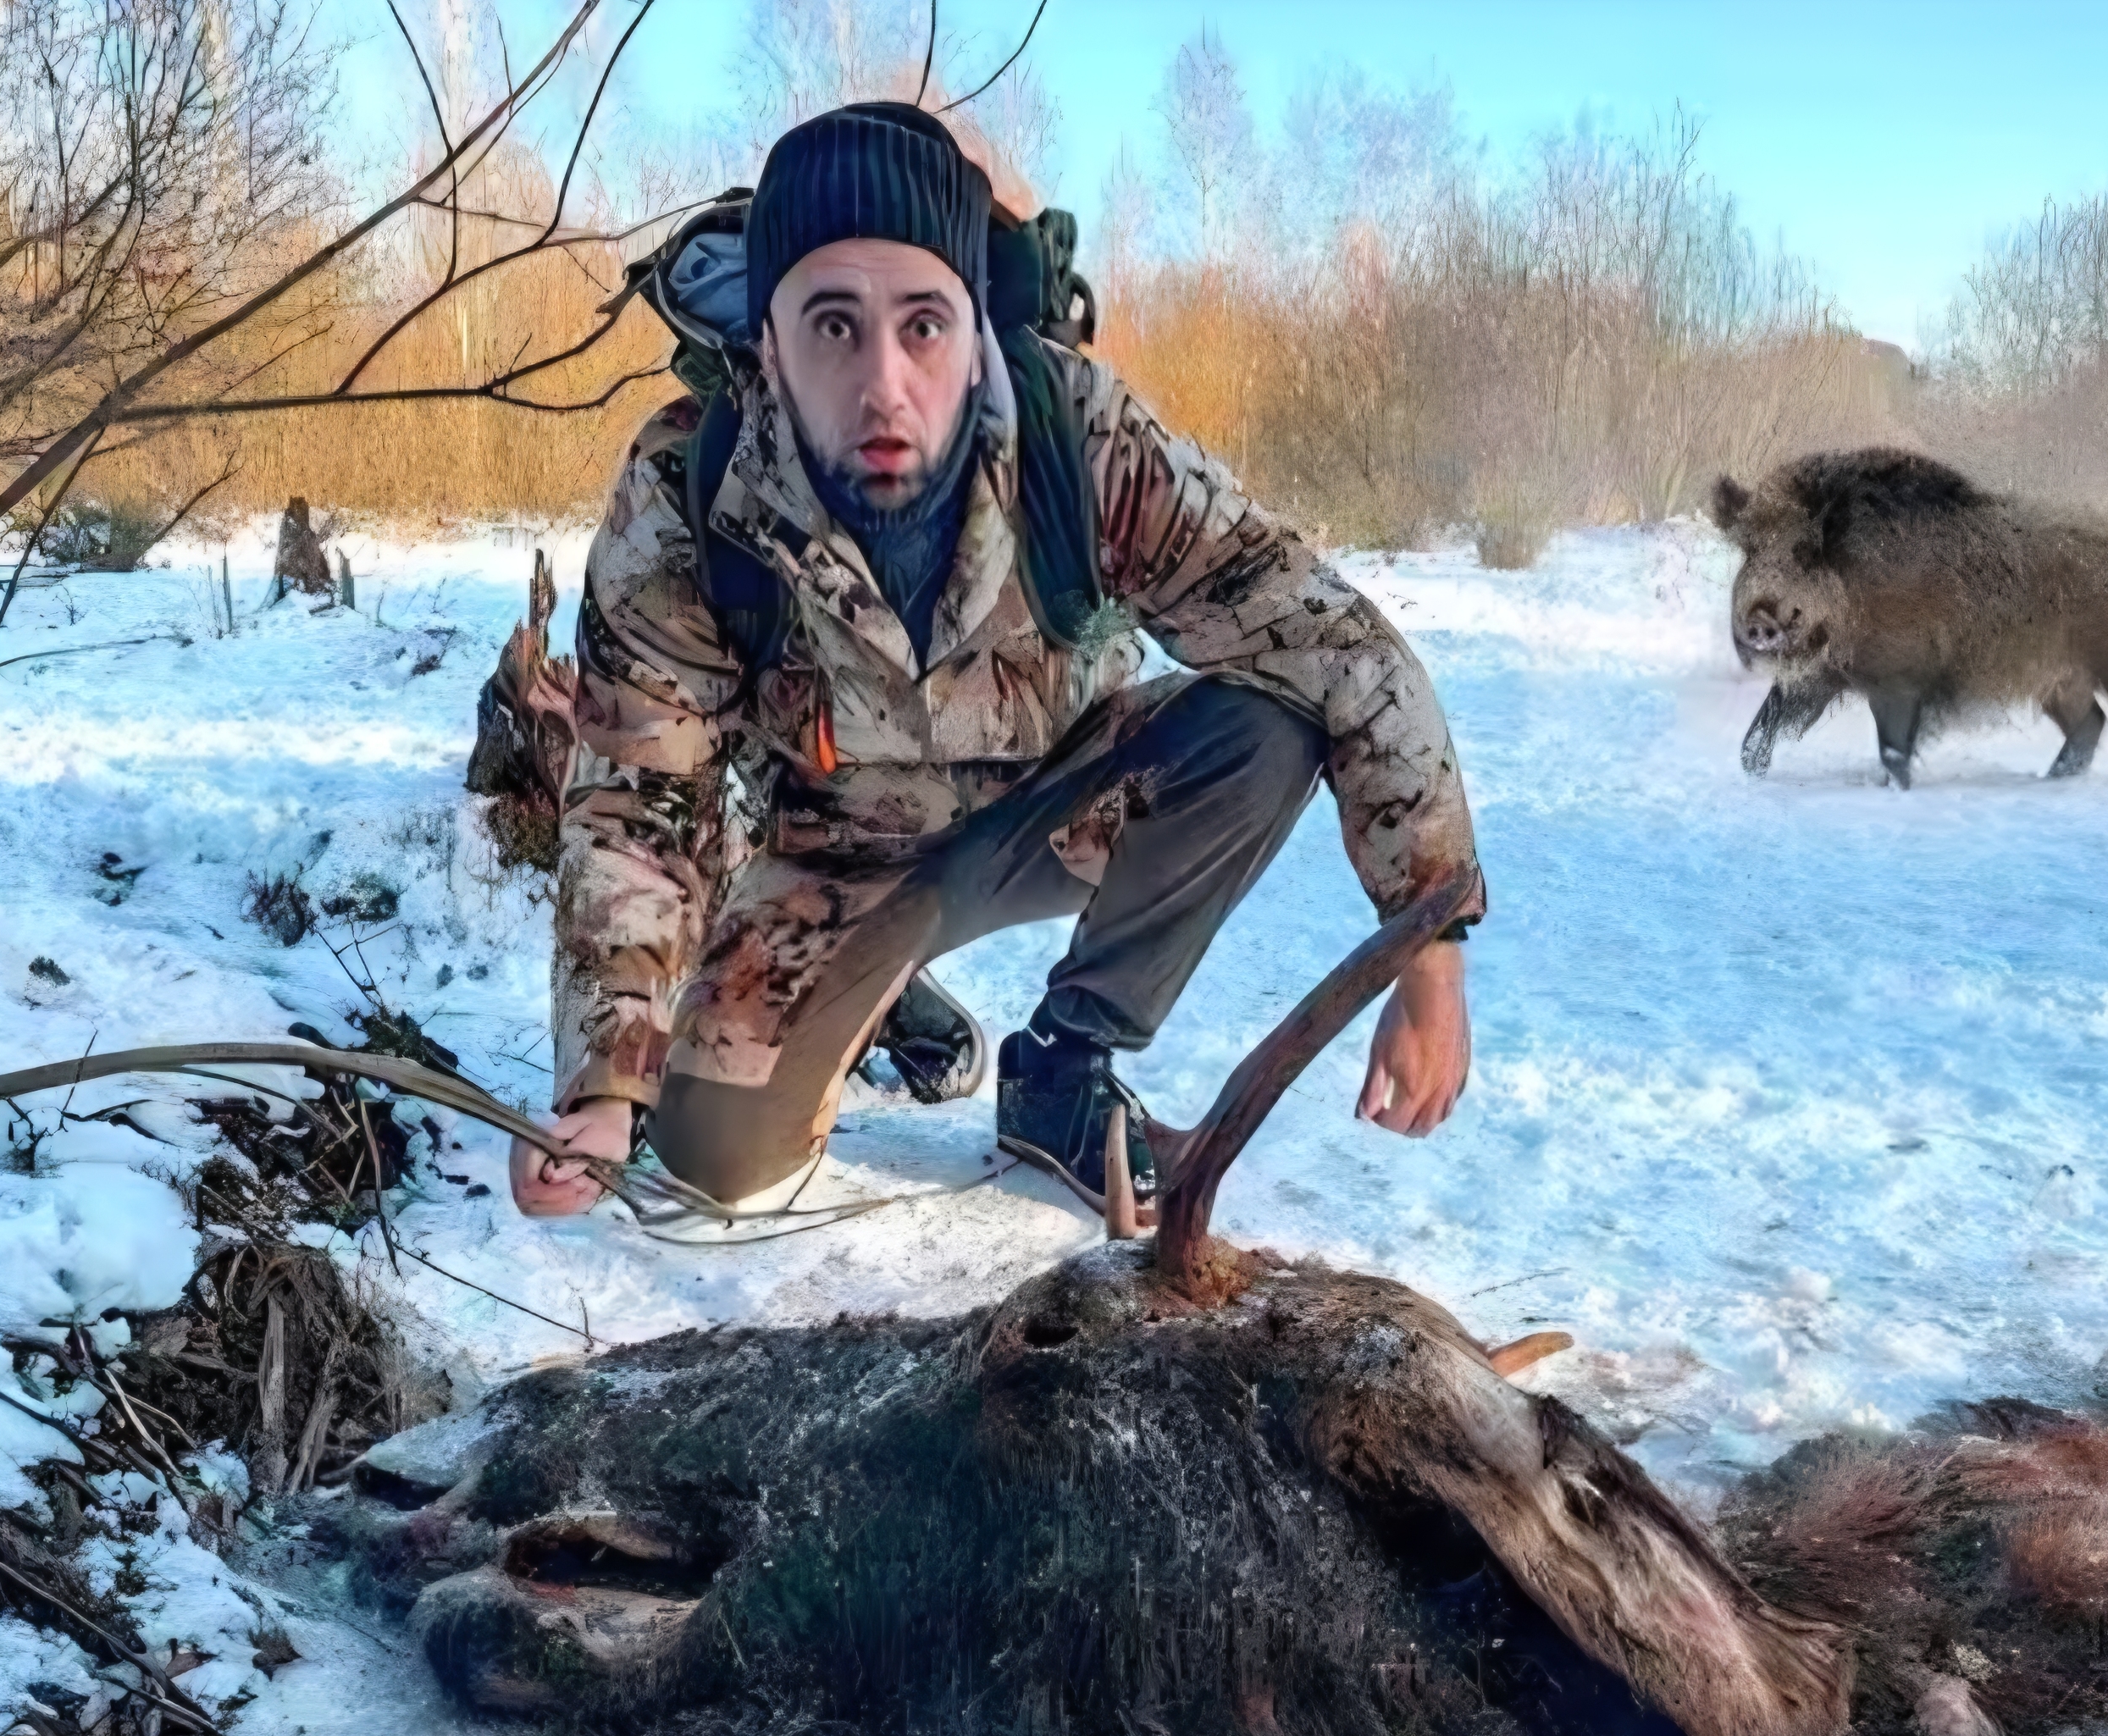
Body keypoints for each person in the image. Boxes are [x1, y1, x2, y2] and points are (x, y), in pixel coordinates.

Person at [510, 101, 1483, 1219]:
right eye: (833, 325)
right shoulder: (688, 489)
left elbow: (1331, 641)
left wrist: (1429, 942)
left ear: (976, 331)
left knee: (1267, 723)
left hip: (1062, 808)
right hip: (839, 861)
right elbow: (637, 800)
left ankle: (1066, 1068)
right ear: (765, 346)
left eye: (923, 324)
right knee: (719, 1162)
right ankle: (879, 983)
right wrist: (605, 1080)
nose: (885, 381)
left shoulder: (1081, 435)